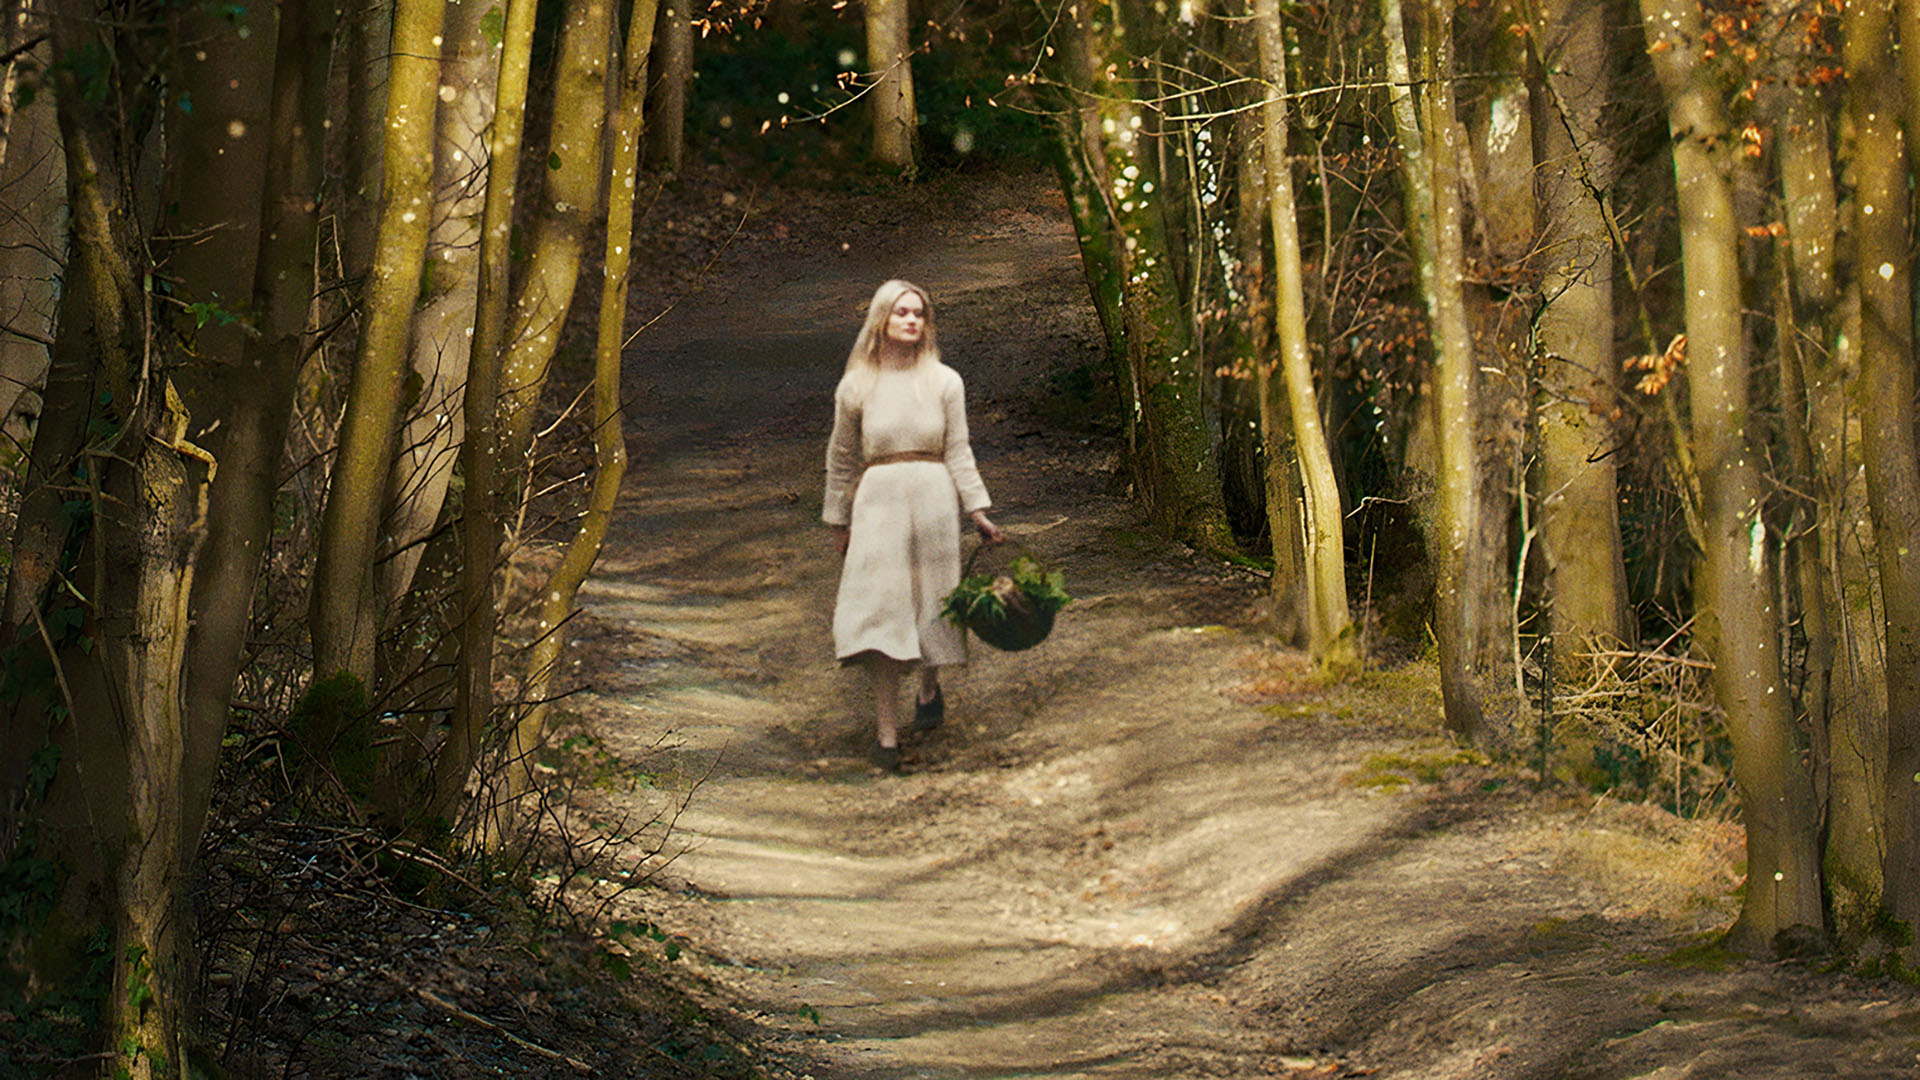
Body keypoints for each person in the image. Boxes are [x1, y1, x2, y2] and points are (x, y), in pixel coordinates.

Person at [823, 280, 1003, 772]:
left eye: (919, 313)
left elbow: (959, 450)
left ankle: (929, 685)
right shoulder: (856, 386)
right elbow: (840, 459)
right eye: (901, 312)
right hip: (878, 502)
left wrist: (977, 510)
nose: (911, 320)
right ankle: (886, 732)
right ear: (882, 319)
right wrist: (839, 520)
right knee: (883, 610)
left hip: (934, 498)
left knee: (933, 605)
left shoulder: (944, 382)